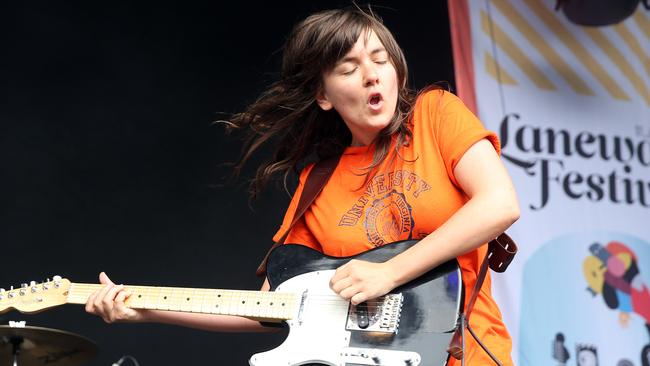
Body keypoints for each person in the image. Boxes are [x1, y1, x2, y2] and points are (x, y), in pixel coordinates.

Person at [85, 6, 520, 365]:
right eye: (349, 68)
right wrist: (143, 309)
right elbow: (268, 309)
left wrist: (388, 273)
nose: (371, 75)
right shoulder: (319, 182)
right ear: (324, 96)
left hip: (468, 354)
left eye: (380, 60)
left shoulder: (435, 113)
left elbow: (499, 204)